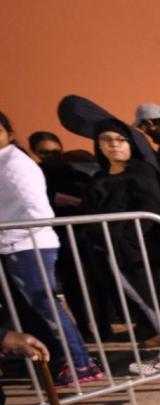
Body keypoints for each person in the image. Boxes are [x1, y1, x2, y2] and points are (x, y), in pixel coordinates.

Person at [0, 112, 103, 387]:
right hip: (14, 245)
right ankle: (60, 360)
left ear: (9, 133)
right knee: (31, 308)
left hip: (28, 244)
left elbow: (37, 211)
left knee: (46, 304)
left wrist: (7, 235)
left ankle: (81, 363)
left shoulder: (15, 164)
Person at [83, 118, 160, 374]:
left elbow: (150, 206)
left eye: (120, 140)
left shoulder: (142, 171)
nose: (113, 145)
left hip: (147, 249)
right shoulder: (98, 178)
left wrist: (127, 237)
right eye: (106, 140)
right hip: (115, 252)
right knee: (143, 300)